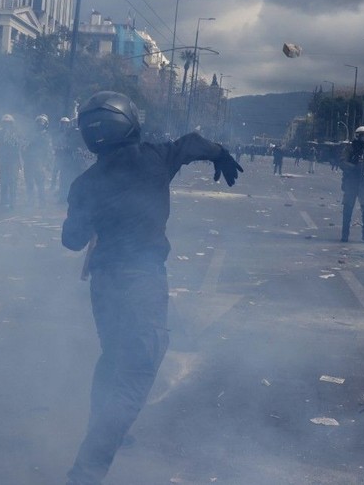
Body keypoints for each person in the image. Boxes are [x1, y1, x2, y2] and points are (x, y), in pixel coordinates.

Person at [62, 91, 242, 485]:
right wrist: (220, 153)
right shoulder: (155, 159)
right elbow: (192, 142)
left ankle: (106, 430)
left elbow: (72, 240)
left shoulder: (85, 183)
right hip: (142, 282)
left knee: (113, 359)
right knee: (136, 370)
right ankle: (86, 472)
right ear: (129, 122)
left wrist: (90, 208)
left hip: (105, 283)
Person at [0, 114, 21, 209]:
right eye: (5, 123)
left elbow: (20, 145)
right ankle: (3, 201)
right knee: (3, 180)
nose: (7, 125)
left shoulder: (16, 133)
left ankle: (12, 203)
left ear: (12, 124)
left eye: (9, 123)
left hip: (13, 160)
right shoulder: (0, 132)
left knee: (12, 181)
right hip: (3, 159)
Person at [22, 114, 52, 208]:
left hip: (39, 162)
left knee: (40, 184)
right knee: (29, 183)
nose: (40, 124)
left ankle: (42, 203)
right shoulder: (30, 135)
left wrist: (46, 164)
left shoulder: (46, 136)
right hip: (29, 162)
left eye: (42, 123)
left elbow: (48, 152)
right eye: (38, 122)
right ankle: (31, 202)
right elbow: (24, 147)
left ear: (45, 124)